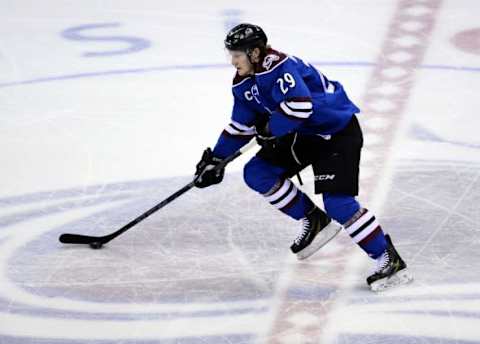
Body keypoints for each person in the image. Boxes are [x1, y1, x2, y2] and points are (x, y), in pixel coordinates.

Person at [194, 23, 412, 291]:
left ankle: (388, 259)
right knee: (257, 172)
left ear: (254, 52)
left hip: (336, 132)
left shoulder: (278, 66)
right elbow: (242, 126)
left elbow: (300, 105)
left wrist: (270, 128)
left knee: (339, 205)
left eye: (237, 54)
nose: (233, 61)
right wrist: (217, 159)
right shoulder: (243, 83)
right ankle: (314, 220)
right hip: (303, 133)